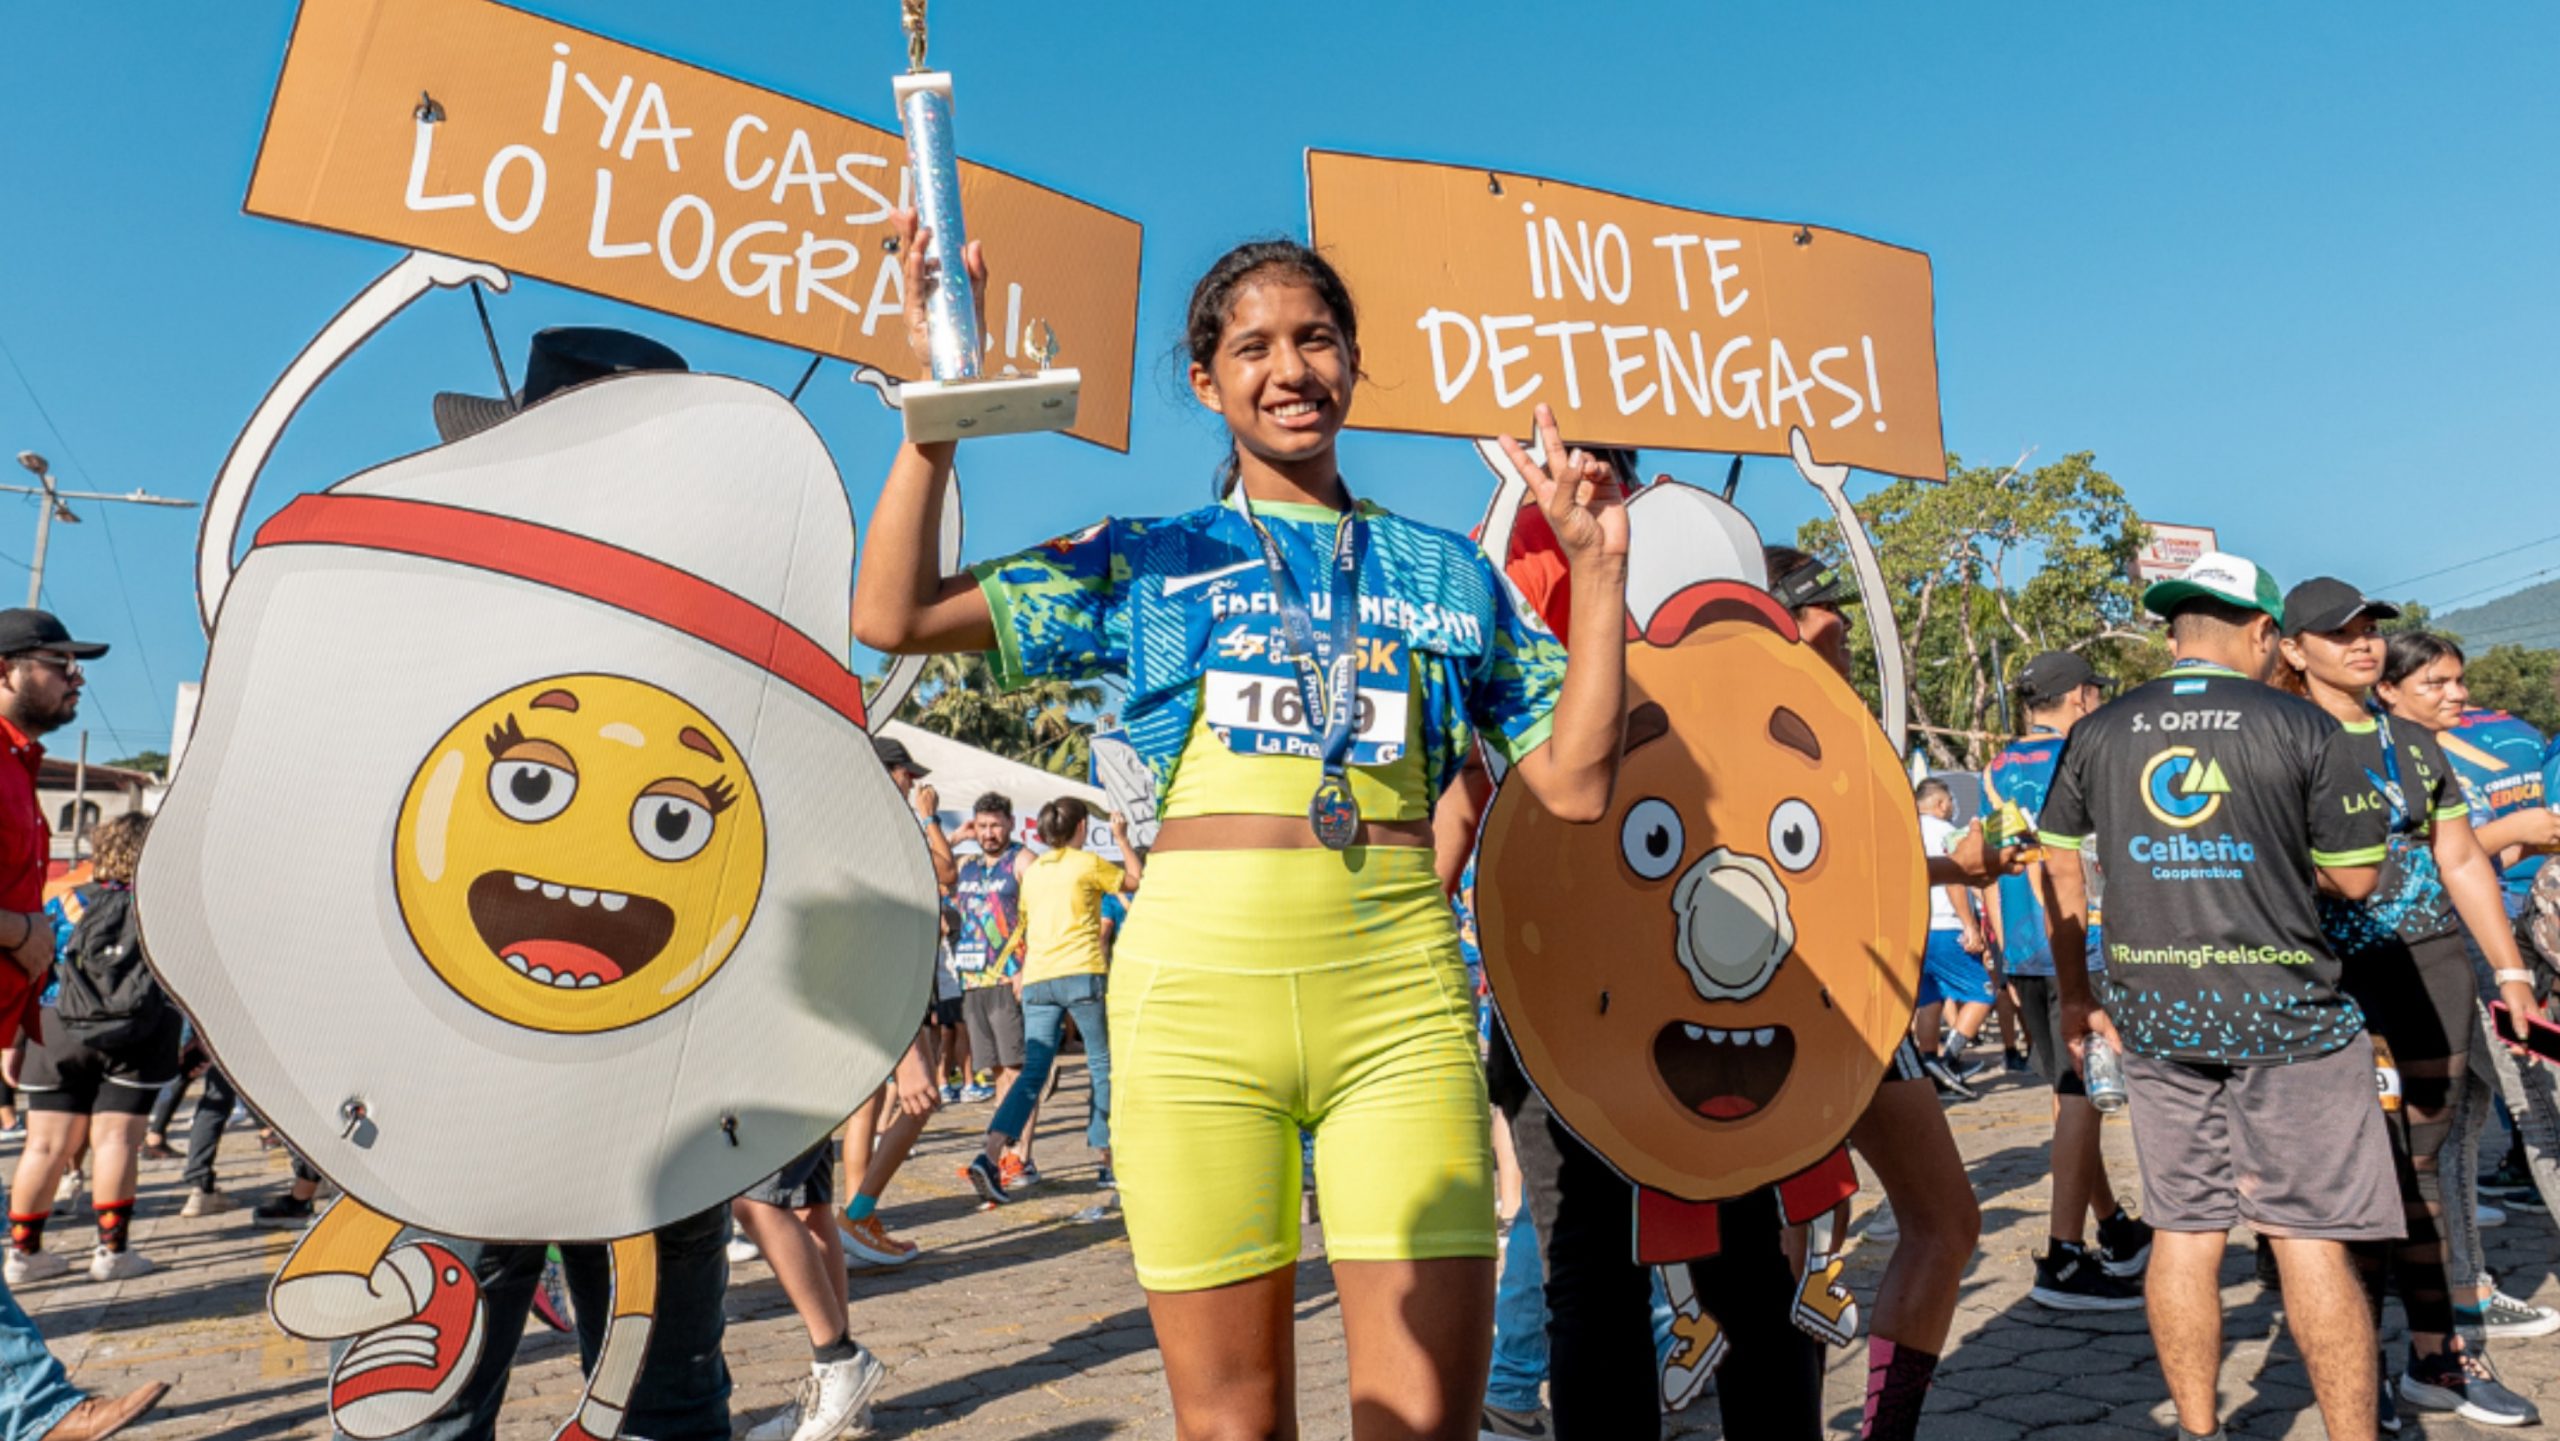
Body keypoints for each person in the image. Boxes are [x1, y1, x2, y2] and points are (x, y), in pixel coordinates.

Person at [854, 218, 1626, 1437]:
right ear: (1206, 381)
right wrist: (933, 428)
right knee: (1231, 1424)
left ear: (1354, 363)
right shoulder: (1151, 560)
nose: (1290, 369)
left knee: (1424, 1420)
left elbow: (1578, 784)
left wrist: (1597, 578)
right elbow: (891, 610)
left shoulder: (1445, 573)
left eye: (1316, 339)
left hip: (1399, 1011)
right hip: (1193, 1016)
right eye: (1253, 346)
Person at [2039, 553, 2394, 1441]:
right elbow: (2355, 879)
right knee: (2308, 1237)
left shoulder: (2101, 730)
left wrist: (2077, 993)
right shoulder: (2302, 724)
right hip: (2291, 1018)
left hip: (2156, 1016)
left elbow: (2057, 860)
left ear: (2173, 632)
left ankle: (2201, 1431)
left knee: (2186, 1232)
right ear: (2265, 632)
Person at [2273, 590, 2542, 1426]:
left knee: (2422, 1172)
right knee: (2352, 1182)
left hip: (2430, 972)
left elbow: (2460, 855)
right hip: (2328, 980)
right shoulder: (2278, 740)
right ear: (2292, 648)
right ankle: (2356, 1374)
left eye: (2370, 631)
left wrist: (2509, 971)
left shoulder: (2410, 741)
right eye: (2342, 633)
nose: (2364, 645)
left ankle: (2440, 1359)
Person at [1757, 545, 1990, 1440]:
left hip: (1863, 999)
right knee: (1799, 1243)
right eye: (1823, 609)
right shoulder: (1750, 715)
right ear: (1779, 619)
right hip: (1780, 1008)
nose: (1844, 626)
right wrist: (1949, 862)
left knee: (1938, 1219)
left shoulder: (1843, 718)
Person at [0, 610, 168, 1439]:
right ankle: (40, 1411)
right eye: (59, 660)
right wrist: (20, 931)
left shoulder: (16, 769)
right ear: (4, 670)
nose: (77, 676)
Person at [1983, 650, 2151, 1311]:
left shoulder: (1997, 769)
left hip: (2025, 948)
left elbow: (1998, 858)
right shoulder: (2089, 752)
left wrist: (1999, 947)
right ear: (2081, 697)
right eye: (2096, 692)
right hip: (2087, 942)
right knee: (2084, 1092)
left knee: (2067, 1095)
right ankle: (2062, 1254)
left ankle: (2112, 1226)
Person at [735, 1040, 940, 1440]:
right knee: (808, 1207)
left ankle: (840, 1360)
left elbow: (887, 973)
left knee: (754, 1201)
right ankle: (846, 1399)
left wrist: (909, 1053)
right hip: (796, 1050)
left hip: (803, 1056)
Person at [6, 815, 178, 1284]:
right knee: (118, 1141)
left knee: (42, 1144)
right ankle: (112, 1252)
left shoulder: (65, 900)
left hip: (55, 1022)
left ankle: (23, 1255)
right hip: (139, 1029)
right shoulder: (164, 905)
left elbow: (34, 966)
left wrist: (13, 1041)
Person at [969, 798, 1136, 1202]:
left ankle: (991, 1154)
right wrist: (1121, 837)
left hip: (1040, 978)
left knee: (1031, 1075)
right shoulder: (1087, 862)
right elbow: (1134, 879)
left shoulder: (1036, 871)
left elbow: (1025, 922)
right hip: (1081, 973)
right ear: (1081, 827)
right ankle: (1106, 1161)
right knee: (1100, 1066)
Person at [952, 793, 1036, 1174]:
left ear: (1011, 824)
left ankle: (1021, 1156)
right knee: (998, 1072)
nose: (989, 833)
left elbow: (1043, 913)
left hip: (1008, 976)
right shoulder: (967, 865)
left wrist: (1028, 966)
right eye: (982, 826)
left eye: (996, 825)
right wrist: (955, 838)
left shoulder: (1022, 861)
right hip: (973, 980)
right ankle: (1000, 1153)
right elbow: (926, 865)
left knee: (1017, 1070)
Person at [1911, 779, 1994, 1096]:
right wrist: (1970, 925)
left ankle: (1929, 1062)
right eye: (1950, 802)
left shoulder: (1905, 828)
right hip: (1946, 926)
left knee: (1929, 998)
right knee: (1984, 992)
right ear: (1941, 804)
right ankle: (1949, 1058)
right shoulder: (1944, 833)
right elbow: (1955, 880)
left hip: (1919, 927)